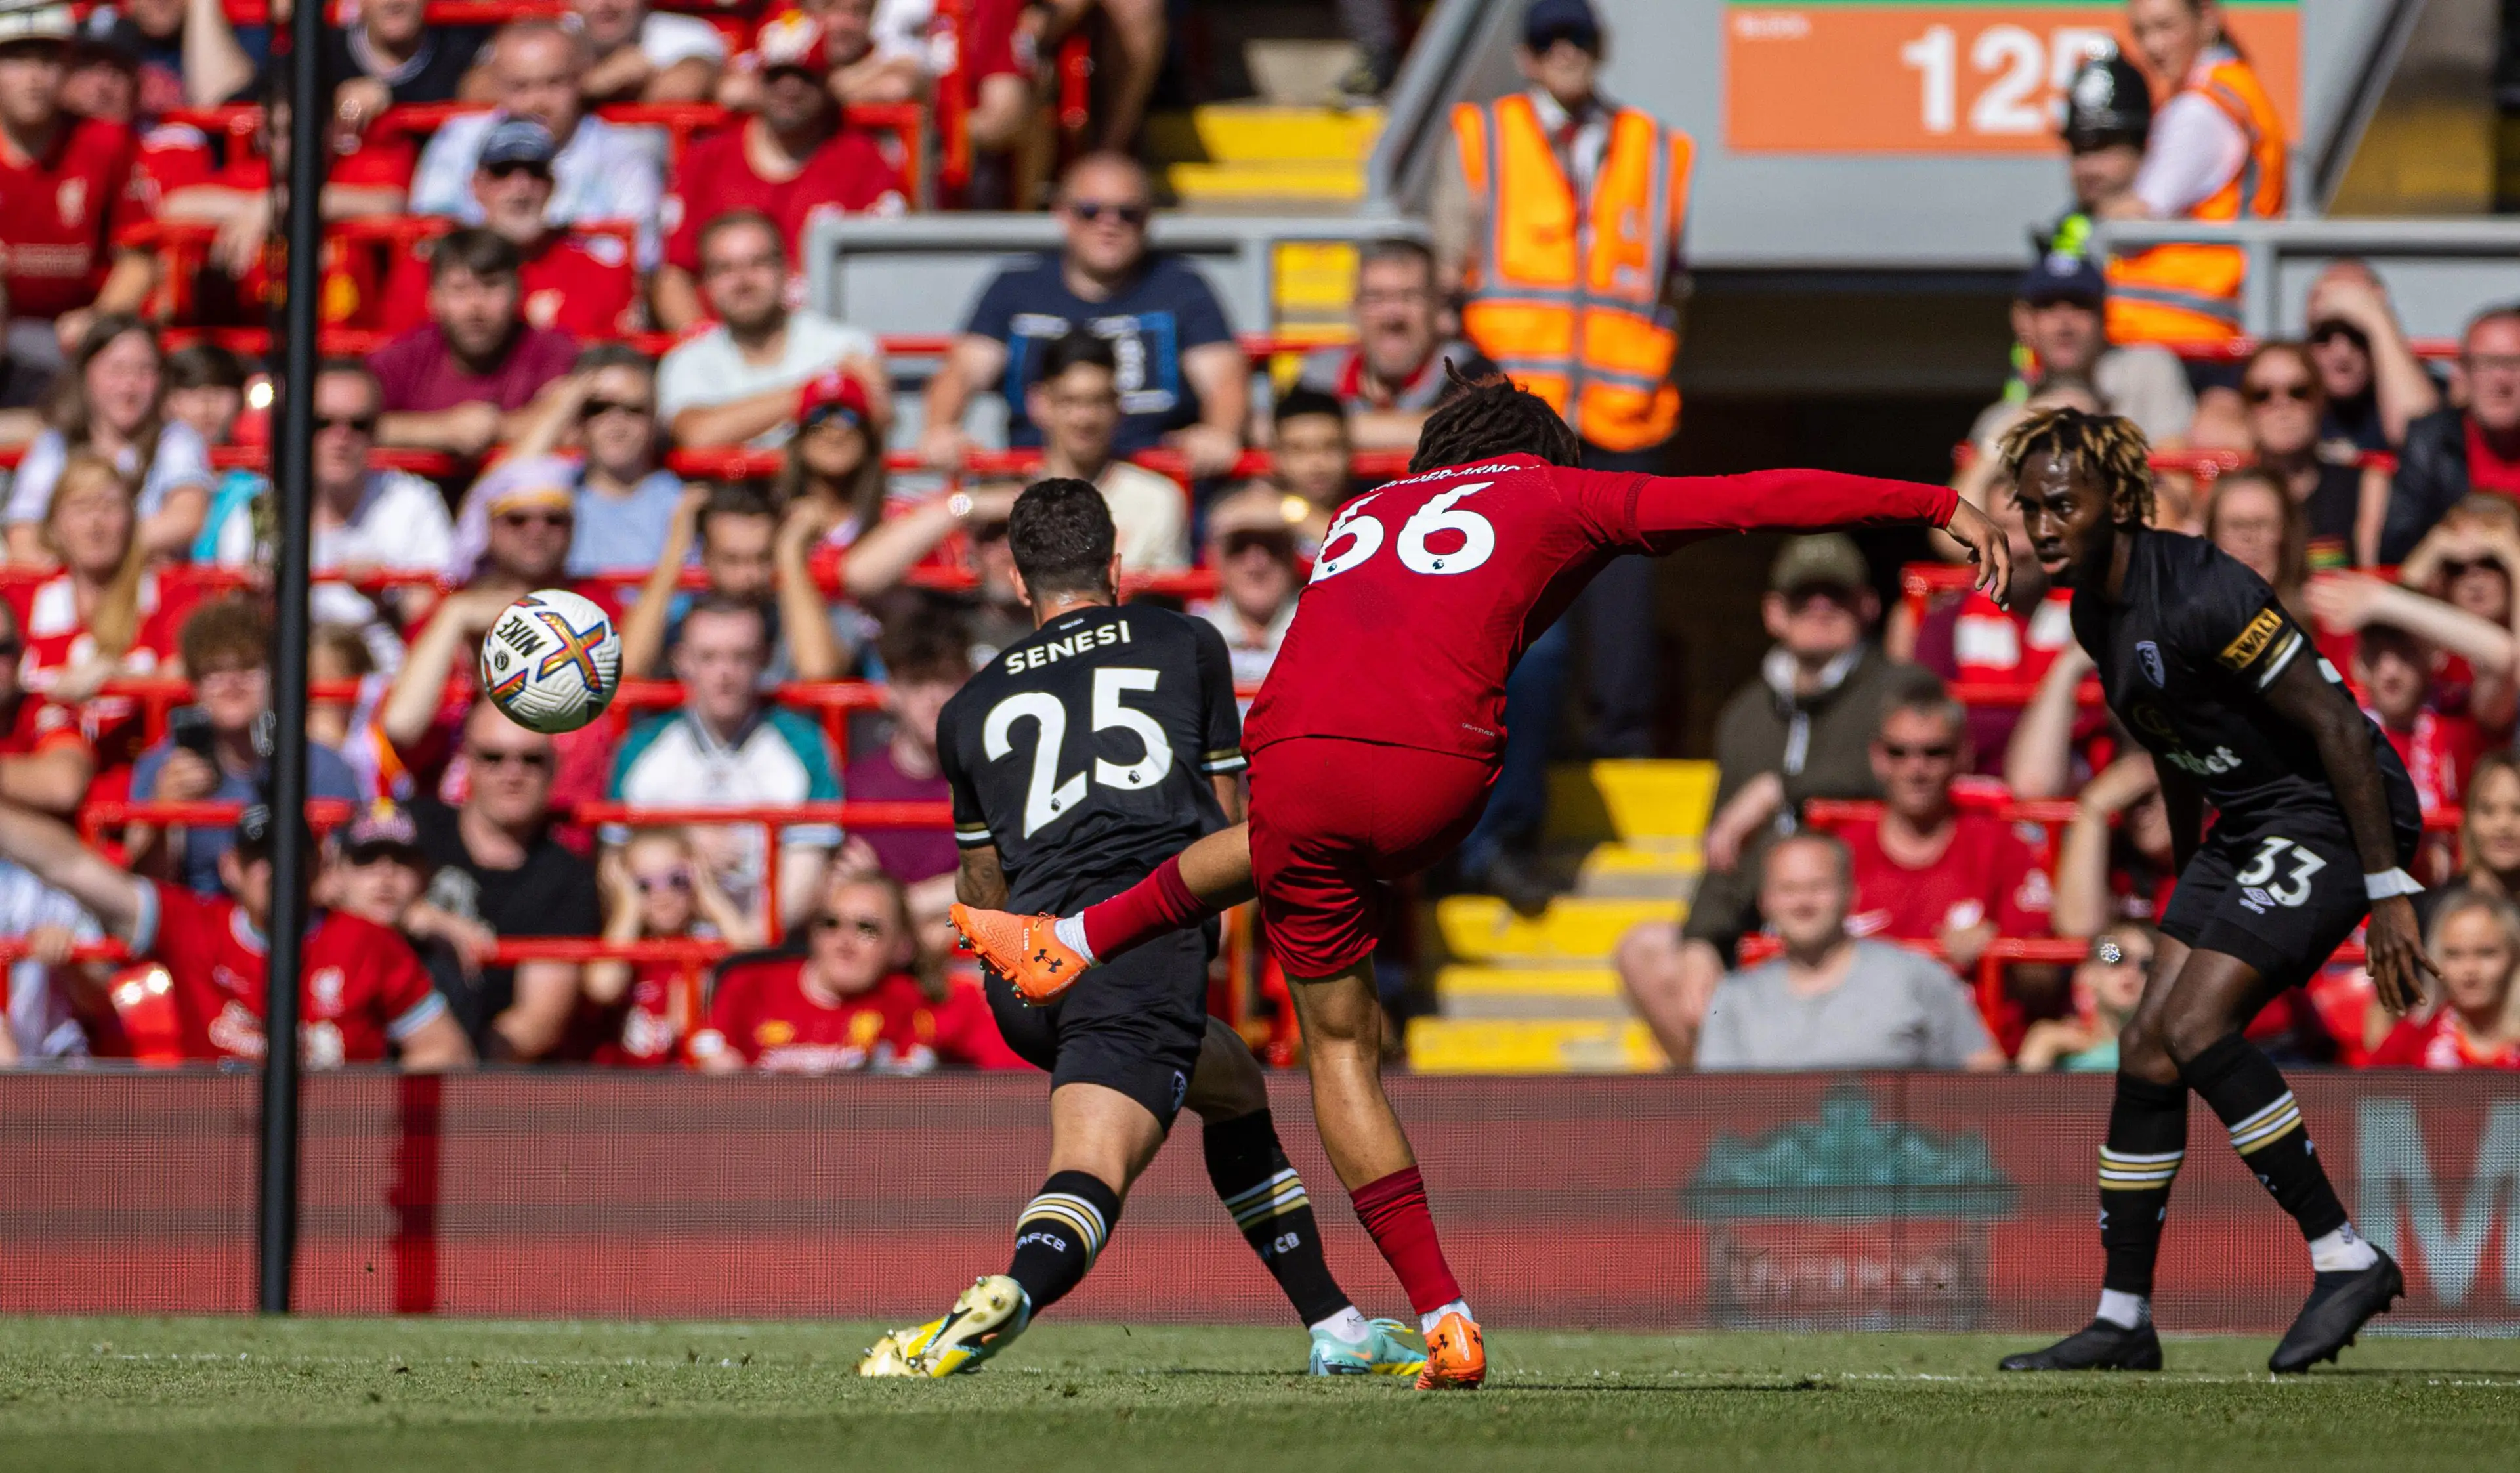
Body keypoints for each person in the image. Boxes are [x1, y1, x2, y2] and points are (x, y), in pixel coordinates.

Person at [954, 370, 2010, 1392]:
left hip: (1297, 769)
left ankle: (1439, 1310)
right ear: (1541, 453)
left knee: (1335, 1045)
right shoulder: (1553, 491)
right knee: (1344, 981)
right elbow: (1751, 501)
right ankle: (1440, 1318)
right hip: (1428, 774)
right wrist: (1932, 500)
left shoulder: (1366, 509)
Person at [862, 478, 1419, 1382]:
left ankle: (1338, 1326)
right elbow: (1230, 823)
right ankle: (1010, 1293)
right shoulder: (1186, 642)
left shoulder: (970, 706)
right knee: (1092, 1166)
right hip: (1134, 940)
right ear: (1117, 567)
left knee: (1232, 1085)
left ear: (1016, 581)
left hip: (1025, 974)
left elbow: (980, 886)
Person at [1994, 405, 2424, 1375]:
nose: (2042, 525)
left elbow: (2341, 728)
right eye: (2030, 508)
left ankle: (2343, 1255)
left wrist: (2391, 889)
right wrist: (2194, 869)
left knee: (2193, 1032)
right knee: (2145, 1046)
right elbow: (2173, 737)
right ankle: (2122, 1318)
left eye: (2061, 504)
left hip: (2331, 812)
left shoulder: (2205, 588)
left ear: (2120, 499)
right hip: (2245, 825)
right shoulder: (2091, 611)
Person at [1433, 0, 1692, 763]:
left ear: (1600, 49)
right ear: (1526, 56)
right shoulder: (1485, 136)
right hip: (1517, 411)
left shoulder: (1657, 148)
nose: (1566, 53)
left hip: (1624, 413)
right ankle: (1506, 751)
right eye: (1549, 41)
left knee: (1621, 598)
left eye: (1579, 39)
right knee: (1515, 593)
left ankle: (1621, 746)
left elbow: (1674, 283)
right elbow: (1453, 267)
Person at [1618, 534, 1933, 1036]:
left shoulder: (1903, 689)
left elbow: (1911, 774)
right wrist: (1702, 940)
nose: (1820, 608)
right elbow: (1723, 845)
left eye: (1837, 595)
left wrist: (1779, 789)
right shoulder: (1746, 712)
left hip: (1864, 914)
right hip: (1762, 919)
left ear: (1868, 606)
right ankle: (1730, 1107)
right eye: (1802, 597)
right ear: (1774, 613)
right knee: (1647, 952)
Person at [0, 796, 474, 1068]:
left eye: (293, 855)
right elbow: (71, 865)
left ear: (318, 865)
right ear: (231, 868)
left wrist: (363, 1107)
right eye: (259, 858)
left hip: (338, 1149)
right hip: (219, 1140)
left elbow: (446, 1049)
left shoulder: (366, 941)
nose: (275, 869)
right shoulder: (192, 924)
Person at [919, 152, 1246, 479]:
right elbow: (962, 371)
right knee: (961, 511)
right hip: (1033, 483)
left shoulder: (1182, 287)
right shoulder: (1016, 287)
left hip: (1154, 484)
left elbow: (1224, 378)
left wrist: (1220, 435)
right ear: (1062, 214)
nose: (1109, 223)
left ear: (1148, 218)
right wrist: (941, 429)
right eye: (1090, 211)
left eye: (1127, 213)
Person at [651, 9, 906, 334]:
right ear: (757, 80)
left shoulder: (864, 161)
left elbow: (880, 275)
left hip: (826, 347)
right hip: (721, 345)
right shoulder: (707, 159)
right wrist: (706, 351)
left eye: (805, 76)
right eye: (776, 75)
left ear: (828, 82)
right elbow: (673, 275)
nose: (790, 88)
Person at [608, 595, 843, 933]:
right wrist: (683, 843)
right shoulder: (639, 749)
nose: (725, 673)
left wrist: (744, 949)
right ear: (681, 661)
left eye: (740, 656)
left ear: (764, 658)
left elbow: (803, 882)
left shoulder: (808, 750)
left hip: (762, 956)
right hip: (661, 951)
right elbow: (614, 867)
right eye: (708, 657)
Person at [1692, 834, 2004, 1073]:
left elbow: (1986, 1075)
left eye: (1818, 886)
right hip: (1776, 1157)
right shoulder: (1734, 998)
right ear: (1765, 902)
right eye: (1788, 889)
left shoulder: (1916, 977)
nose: (1803, 902)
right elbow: (1718, 1112)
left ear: (1851, 895)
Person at [2097, 1, 2287, 377]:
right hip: (2194, 331)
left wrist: (2097, 213)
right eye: (2140, 31)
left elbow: (2138, 217)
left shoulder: (2203, 108)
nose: (2152, 46)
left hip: (2180, 336)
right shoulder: (2230, 91)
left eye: (2165, 26)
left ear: (2208, 20)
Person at [126, 596, 364, 895]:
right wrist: (162, 813)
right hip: (201, 923)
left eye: (248, 667)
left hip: (294, 920)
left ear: (275, 677)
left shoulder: (320, 765)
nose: (232, 683)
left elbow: (347, 883)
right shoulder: (163, 766)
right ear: (194, 686)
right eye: (214, 671)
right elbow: (148, 890)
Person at [407, 703, 602, 1061]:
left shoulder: (567, 876)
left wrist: (458, 1065)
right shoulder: (415, 828)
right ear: (466, 762)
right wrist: (423, 917)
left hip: (479, 1073)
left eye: (531, 760)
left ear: (554, 768)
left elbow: (538, 1021)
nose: (513, 774)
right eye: (493, 757)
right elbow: (340, 895)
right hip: (375, 1055)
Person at [410, 19, 667, 268]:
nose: (537, 102)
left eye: (554, 83)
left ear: (582, 77)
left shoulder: (623, 155)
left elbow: (638, 264)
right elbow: (426, 243)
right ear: (496, 84)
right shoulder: (459, 141)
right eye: (520, 87)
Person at [693, 872, 1009, 1075]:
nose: (844, 942)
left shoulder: (919, 1000)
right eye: (830, 924)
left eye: (866, 929)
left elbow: (1016, 1074)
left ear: (901, 947)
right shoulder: (749, 985)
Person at [7, 452, 190, 771]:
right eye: (80, 508)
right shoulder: (21, 595)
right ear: (54, 526)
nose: (95, 524)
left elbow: (187, 674)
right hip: (39, 772)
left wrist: (116, 675)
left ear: (131, 520)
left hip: (140, 775)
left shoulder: (170, 591)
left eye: (109, 507)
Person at [375, 120, 638, 342]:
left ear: (553, 185)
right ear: (476, 185)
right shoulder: (425, 272)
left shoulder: (601, 277)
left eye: (535, 172)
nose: (520, 188)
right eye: (502, 172)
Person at [0, 6, 159, 370]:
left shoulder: (105, 143)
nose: (34, 78)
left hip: (74, 342)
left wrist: (98, 321)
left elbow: (139, 259)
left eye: (48, 61)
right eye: (17, 61)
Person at [655, 211, 887, 450]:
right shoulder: (687, 358)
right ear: (706, 283)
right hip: (729, 488)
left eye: (758, 263)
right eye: (724, 268)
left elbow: (878, 420)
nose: (743, 281)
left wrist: (735, 423)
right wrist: (820, 390)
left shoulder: (845, 343)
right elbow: (697, 436)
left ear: (786, 269)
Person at [1, 315, 212, 564]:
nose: (128, 387)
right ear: (86, 374)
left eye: (143, 371)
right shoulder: (55, 444)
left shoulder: (176, 439)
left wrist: (97, 551)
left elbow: (186, 518)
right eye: (116, 370)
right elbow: (24, 533)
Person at [978, 331, 1187, 573]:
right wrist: (962, 506)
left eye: (1098, 402)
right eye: (1070, 401)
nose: (1084, 418)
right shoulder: (1002, 494)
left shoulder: (1158, 500)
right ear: (1039, 403)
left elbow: (1164, 602)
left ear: (1119, 406)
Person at [368, 229, 579, 455]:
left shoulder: (552, 351)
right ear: (433, 297)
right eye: (459, 289)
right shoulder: (408, 355)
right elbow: (346, 419)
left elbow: (571, 424)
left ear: (519, 291)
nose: (475, 306)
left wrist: (496, 427)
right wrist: (441, 430)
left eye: (491, 286)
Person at [1966, 252, 2194, 454]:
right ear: (2023, 320)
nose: (2065, 324)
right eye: (2048, 306)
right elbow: (1963, 498)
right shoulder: (1999, 421)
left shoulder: (2147, 369)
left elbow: (2176, 486)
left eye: (2080, 305)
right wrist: (2033, 420)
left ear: (2104, 316)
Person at [578, 826, 755, 1067]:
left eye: (677, 880)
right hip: (628, 1087)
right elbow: (603, 987)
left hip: (691, 1080)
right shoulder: (623, 946)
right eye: (642, 885)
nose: (663, 895)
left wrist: (710, 896)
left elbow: (755, 968)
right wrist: (628, 910)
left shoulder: (707, 945)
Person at [1294, 239, 1486, 452]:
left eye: (1410, 296)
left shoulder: (1468, 369)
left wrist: (1329, 431)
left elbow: (1470, 428)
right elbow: (1278, 432)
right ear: (1354, 306)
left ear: (1436, 306)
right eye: (1375, 297)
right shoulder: (1321, 374)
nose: (1392, 315)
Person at [2383, 305, 2520, 562]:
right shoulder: (2430, 441)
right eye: (2487, 363)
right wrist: (2447, 541)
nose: (2502, 380)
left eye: (2514, 364)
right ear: (2462, 372)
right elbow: (2397, 549)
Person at [2238, 342, 2387, 567]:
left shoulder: (2363, 487)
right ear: (2246, 408)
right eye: (2262, 395)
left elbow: (2369, 577)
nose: (2282, 405)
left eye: (2298, 392)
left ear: (2320, 400)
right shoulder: (2230, 496)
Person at [2367, 890, 2520, 1069]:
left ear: (2515, 957)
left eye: (2486, 953)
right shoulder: (2412, 1038)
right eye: (2454, 955)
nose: (2469, 969)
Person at [2303, 261, 2441, 457]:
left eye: (2358, 335)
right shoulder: (2277, 388)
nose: (2341, 353)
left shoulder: (2422, 386)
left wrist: (2377, 319)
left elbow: (2421, 439)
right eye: (2324, 335)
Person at [1191, 488, 1303, 694]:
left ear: (1292, 556)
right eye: (1239, 546)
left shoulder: (1324, 635)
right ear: (1213, 556)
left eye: (1273, 546)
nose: (1256, 563)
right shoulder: (1189, 639)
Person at [2019, 924, 2158, 1072]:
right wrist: (2044, 1045)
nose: (2131, 972)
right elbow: (2021, 1093)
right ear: (2086, 974)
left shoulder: (2166, 1051)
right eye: (2115, 956)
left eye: (2147, 965)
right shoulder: (2051, 1040)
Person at [569, 0, 724, 104]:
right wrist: (594, 85)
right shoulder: (557, 34)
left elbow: (687, 86)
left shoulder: (689, 31)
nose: (605, 4)